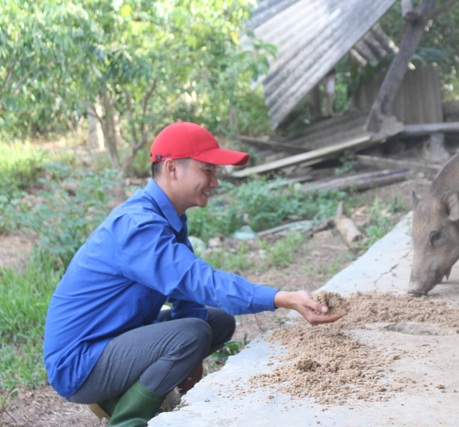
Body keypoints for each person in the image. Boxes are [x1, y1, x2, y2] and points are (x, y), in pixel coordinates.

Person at [43, 121, 348, 426]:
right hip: (80, 363)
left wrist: (193, 360)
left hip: (114, 339)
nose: (215, 182)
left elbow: (185, 293)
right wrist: (281, 298)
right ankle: (127, 419)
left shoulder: (167, 217)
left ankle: (121, 392)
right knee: (193, 333)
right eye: (208, 171)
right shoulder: (138, 226)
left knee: (216, 322)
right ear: (172, 168)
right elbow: (199, 281)